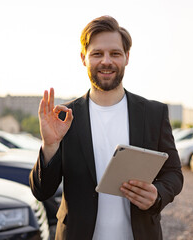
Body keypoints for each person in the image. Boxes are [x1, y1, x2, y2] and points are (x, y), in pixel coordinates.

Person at [29, 15, 183, 240]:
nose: (106, 61)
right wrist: (50, 146)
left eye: (115, 53)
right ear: (84, 58)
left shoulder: (153, 113)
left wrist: (158, 195)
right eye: (97, 54)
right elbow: (42, 192)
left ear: (127, 57)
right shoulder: (64, 118)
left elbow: (173, 173)